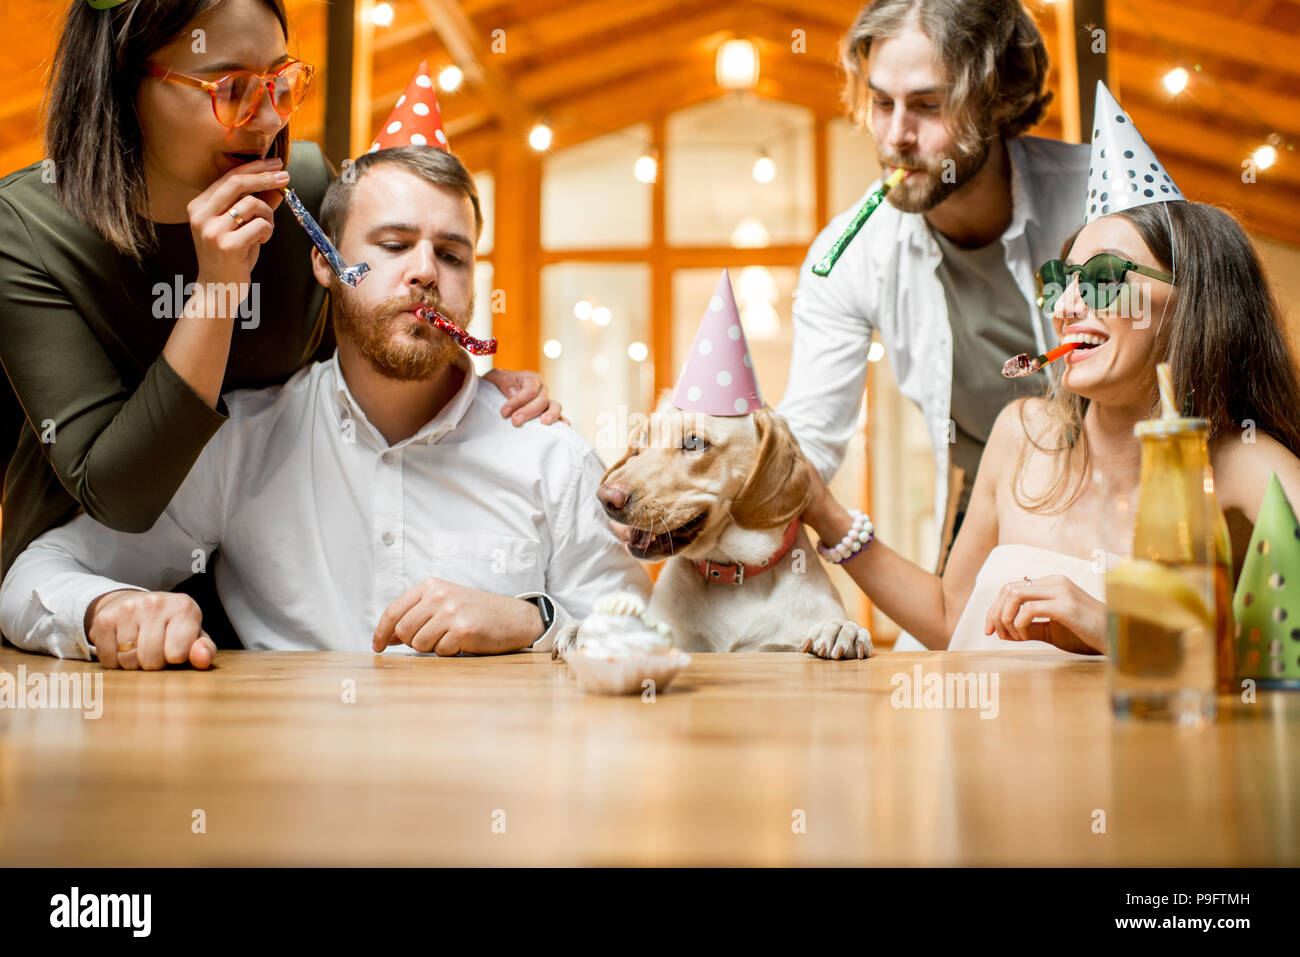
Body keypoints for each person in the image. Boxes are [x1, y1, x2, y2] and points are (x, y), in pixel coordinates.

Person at [0, 0, 556, 642]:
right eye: (231, 88)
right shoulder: (28, 229)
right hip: (83, 599)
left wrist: (472, 385)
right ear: (127, 81)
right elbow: (122, 496)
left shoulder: (309, 189)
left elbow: (379, 314)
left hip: (257, 614)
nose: (266, 120)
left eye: (279, 84)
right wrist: (216, 291)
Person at [0, 146, 650, 668]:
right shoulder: (243, 443)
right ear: (324, 261)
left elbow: (647, 632)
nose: (426, 270)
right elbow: (38, 575)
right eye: (394, 245)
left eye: (452, 253)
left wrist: (534, 617)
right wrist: (108, 609)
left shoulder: (550, 452)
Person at [799, 191, 1300, 652]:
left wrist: (1110, 628)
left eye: (1104, 279)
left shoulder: (1244, 463)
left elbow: (1272, 655)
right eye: (1061, 282)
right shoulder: (1023, 432)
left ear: (1196, 300)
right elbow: (952, 619)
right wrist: (826, 513)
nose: (1064, 307)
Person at [776, 0, 1089, 574]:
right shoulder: (848, 254)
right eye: (880, 103)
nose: (896, 136)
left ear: (998, 99)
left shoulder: (1101, 199)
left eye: (928, 105)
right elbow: (809, 443)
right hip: (989, 504)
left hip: (1129, 487)